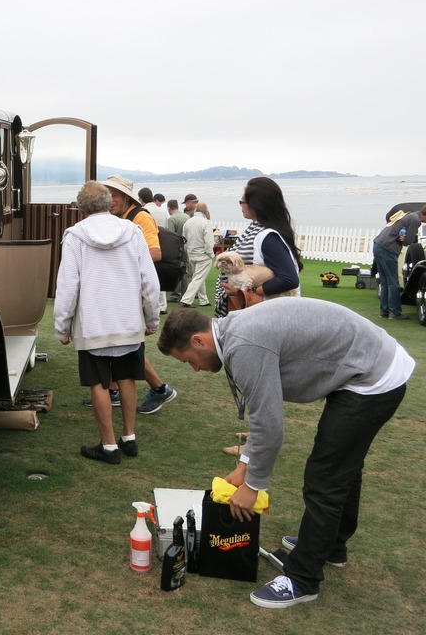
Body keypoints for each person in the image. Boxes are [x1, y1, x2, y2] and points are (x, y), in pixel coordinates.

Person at [157, 300, 414, 609]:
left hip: (373, 377)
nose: (195, 368)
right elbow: (262, 416)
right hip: (363, 365)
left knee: (324, 478)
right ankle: (331, 546)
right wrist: (244, 466)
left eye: (189, 360)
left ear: (199, 340)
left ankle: (303, 579)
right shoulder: (232, 333)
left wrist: (253, 486)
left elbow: (269, 424)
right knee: (342, 465)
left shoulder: (243, 346)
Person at [54, 181, 160, 464]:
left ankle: (109, 445)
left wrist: (62, 327)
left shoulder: (75, 235)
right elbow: (149, 280)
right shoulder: (133, 231)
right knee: (127, 378)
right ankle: (129, 436)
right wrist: (151, 318)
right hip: (128, 320)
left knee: (99, 384)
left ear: (80, 207)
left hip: (93, 324)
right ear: (109, 201)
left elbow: (67, 286)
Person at [100, 174, 178, 415]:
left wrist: (119, 259)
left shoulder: (140, 217)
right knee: (116, 341)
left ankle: (160, 388)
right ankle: (113, 389)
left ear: (126, 197)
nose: (110, 200)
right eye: (107, 195)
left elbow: (154, 253)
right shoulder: (120, 216)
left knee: (129, 346)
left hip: (134, 291)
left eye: (114, 195)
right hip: (125, 290)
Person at [213, 177, 302, 317]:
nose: (241, 205)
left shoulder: (267, 236)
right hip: (266, 312)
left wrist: (246, 293)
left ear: (256, 204)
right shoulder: (261, 230)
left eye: (242, 201)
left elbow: (289, 279)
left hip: (270, 313)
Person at [371, 204, 425, 319]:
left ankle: (384, 311)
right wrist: (406, 238)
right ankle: (395, 312)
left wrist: (404, 237)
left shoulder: (408, 215)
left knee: (385, 281)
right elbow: (408, 242)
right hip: (388, 248)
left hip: (378, 245)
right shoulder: (415, 220)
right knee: (393, 283)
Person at [180, 202, 214, 308]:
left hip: (191, 254)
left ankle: (204, 300)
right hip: (203, 255)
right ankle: (186, 299)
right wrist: (211, 254)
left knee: (198, 276)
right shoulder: (206, 223)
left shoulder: (188, 222)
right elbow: (208, 242)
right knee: (198, 277)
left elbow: (184, 239)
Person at [167, 199, 190, 301]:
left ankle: (176, 294)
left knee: (176, 270)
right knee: (185, 271)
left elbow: (171, 235)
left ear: (169, 208)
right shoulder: (186, 217)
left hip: (177, 247)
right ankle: (185, 292)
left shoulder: (172, 219)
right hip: (187, 246)